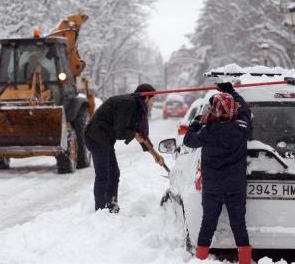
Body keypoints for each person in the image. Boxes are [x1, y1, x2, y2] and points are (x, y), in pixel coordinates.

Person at [183, 82, 252, 264]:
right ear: (232, 110)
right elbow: (245, 111)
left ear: (214, 110)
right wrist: (233, 93)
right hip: (236, 186)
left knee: (208, 224)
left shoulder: (207, 131)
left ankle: (201, 258)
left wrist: (197, 121)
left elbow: (189, 140)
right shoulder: (242, 129)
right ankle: (245, 259)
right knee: (239, 225)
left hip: (213, 187)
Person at [84, 83, 165, 213]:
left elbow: (141, 136)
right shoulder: (128, 104)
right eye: (152, 100)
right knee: (103, 175)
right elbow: (120, 130)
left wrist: (156, 156)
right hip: (96, 137)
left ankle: (111, 205)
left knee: (114, 173)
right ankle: (100, 210)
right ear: (145, 98)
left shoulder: (136, 106)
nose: (152, 104)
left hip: (105, 139)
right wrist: (134, 134)